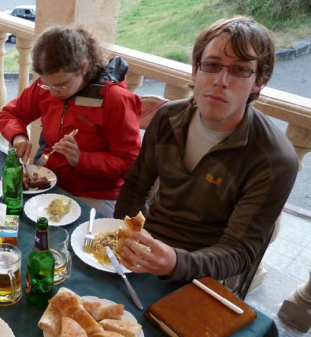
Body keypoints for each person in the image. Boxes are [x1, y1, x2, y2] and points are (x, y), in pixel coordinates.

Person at [114, 17, 299, 285]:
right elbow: (135, 185)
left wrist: (176, 263)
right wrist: (122, 235)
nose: (220, 80)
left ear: (259, 81)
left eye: (239, 70)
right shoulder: (167, 118)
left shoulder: (274, 160)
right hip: (146, 245)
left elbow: (239, 249)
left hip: (207, 274)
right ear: (195, 70)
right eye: (211, 65)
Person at [0, 26, 142, 218]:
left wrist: (81, 159)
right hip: (50, 182)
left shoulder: (115, 100)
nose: (53, 92)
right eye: (48, 84)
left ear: (82, 67)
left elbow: (129, 163)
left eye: (61, 85)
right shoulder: (46, 86)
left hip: (95, 194)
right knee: (6, 213)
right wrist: (18, 136)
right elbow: (9, 114)